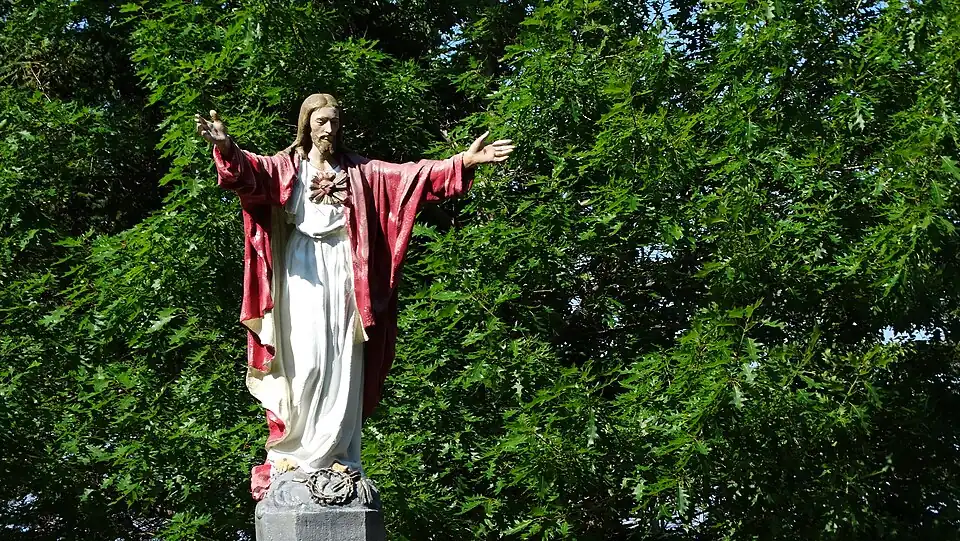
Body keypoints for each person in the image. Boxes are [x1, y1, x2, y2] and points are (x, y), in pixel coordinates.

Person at [195, 93, 514, 499]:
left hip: (347, 271)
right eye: (321, 121)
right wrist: (225, 147)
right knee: (305, 360)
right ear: (307, 124)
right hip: (300, 271)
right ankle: (296, 451)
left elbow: (411, 177)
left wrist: (462, 163)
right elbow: (247, 174)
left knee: (343, 356)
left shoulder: (361, 171)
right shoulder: (286, 166)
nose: (329, 129)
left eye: (334, 121)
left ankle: (338, 452)